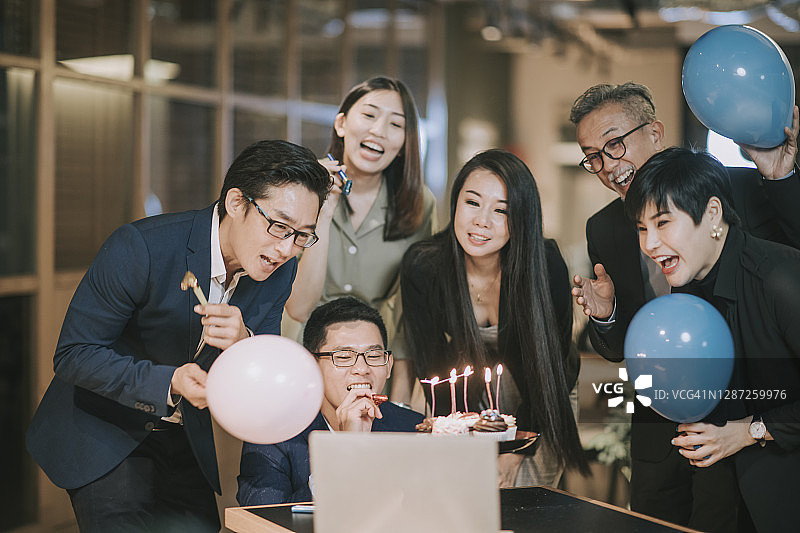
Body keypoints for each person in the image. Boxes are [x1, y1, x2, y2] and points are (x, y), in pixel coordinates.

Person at [26, 140, 330, 532]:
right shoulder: (143, 246)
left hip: (184, 435)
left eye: (302, 235)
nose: (286, 248)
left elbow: (263, 368)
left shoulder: (280, 271)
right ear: (237, 202)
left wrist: (245, 342)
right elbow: (75, 354)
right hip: (106, 428)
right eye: (279, 227)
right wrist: (170, 382)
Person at [568, 82, 800, 531]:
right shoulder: (604, 228)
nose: (607, 165)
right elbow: (625, 348)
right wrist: (606, 315)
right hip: (663, 435)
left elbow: (788, 257)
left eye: (614, 144)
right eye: (592, 156)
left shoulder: (733, 189)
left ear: (655, 133)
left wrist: (780, 179)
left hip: (752, 420)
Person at [625, 147, 800, 533]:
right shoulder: (684, 290)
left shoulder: (780, 276)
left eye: (663, 222)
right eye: (642, 228)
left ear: (713, 214)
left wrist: (751, 430)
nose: (649, 244)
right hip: (718, 501)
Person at [401, 149, 589, 488]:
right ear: (455, 202)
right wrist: (457, 433)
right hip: (465, 385)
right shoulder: (424, 266)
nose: (482, 221)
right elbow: (431, 365)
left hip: (543, 390)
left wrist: (518, 448)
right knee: (460, 491)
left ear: (522, 218)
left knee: (526, 498)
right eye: (472, 202)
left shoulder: (545, 265)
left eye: (501, 210)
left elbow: (554, 364)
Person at [283, 76, 437, 405]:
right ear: (341, 124)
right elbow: (298, 307)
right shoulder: (302, 192)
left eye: (396, 124)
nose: (379, 131)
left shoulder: (419, 204)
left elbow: (411, 308)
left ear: (404, 143)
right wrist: (324, 210)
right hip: (305, 361)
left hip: (376, 369)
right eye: (369, 115)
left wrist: (400, 396)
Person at [237, 296, 424, 505]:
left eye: (373, 355)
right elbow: (262, 514)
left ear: (388, 365)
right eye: (343, 357)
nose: (362, 369)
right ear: (311, 365)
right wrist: (342, 453)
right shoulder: (273, 434)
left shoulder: (413, 429)